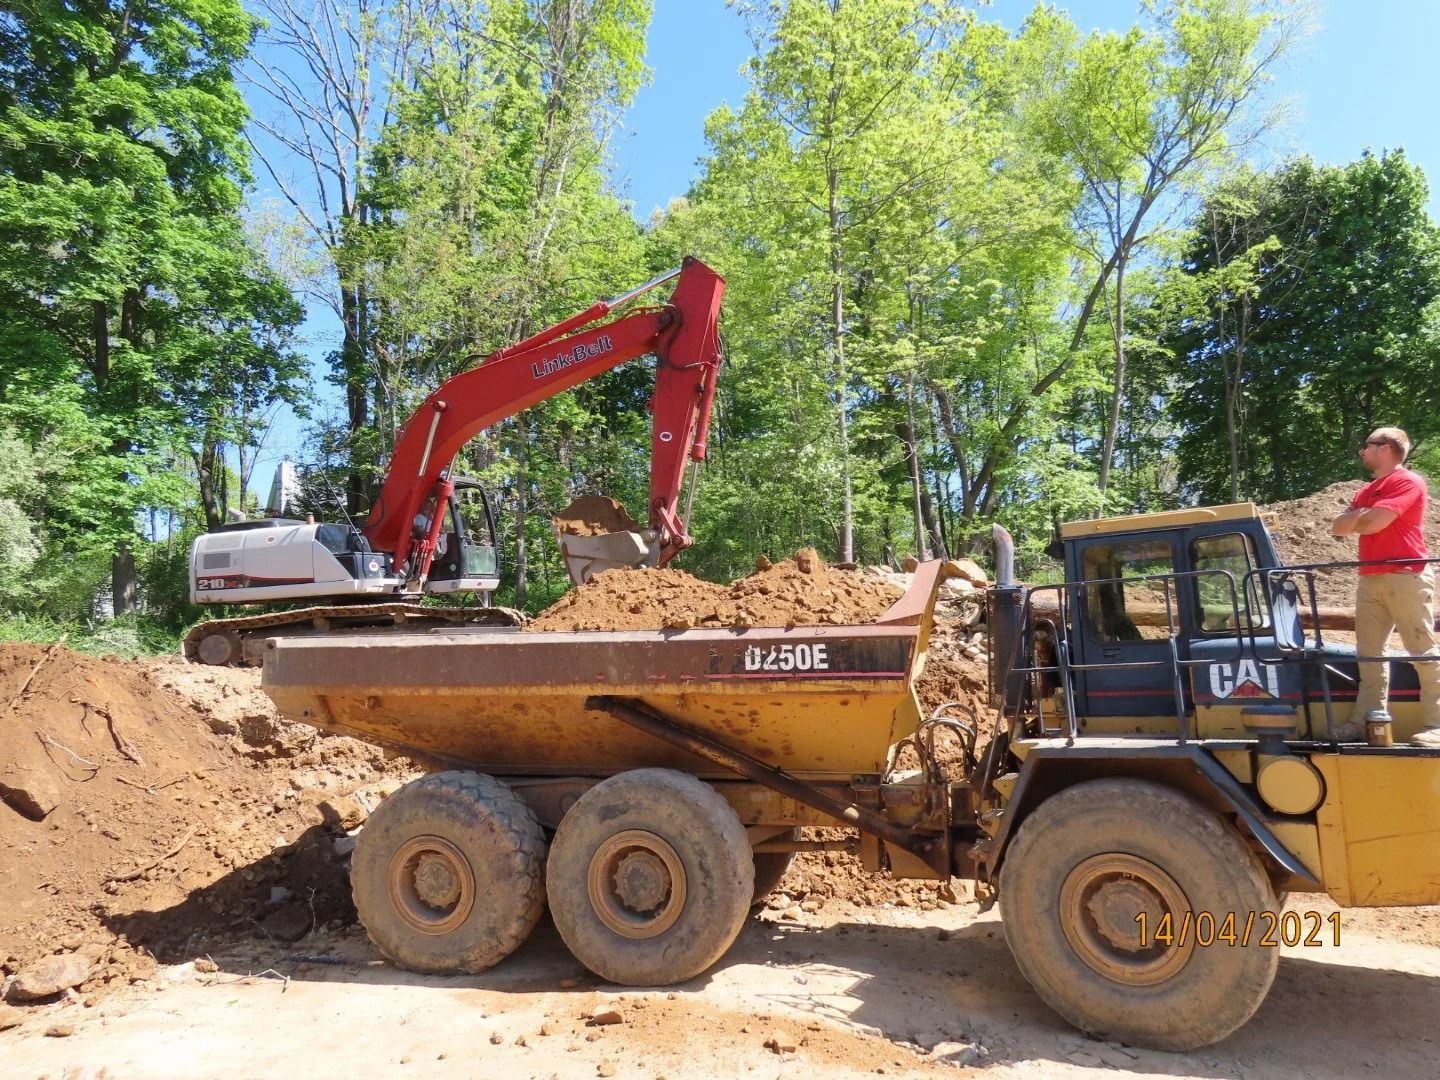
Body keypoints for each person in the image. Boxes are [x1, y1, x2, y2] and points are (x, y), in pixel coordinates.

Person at [1330, 427, 1440, 746]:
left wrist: (1359, 518)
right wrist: (1364, 516)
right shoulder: (1368, 490)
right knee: (1369, 654)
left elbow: (1374, 523)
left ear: (1387, 448)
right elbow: (1338, 527)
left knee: (1421, 649)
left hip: (1406, 575)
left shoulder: (1408, 481)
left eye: (1368, 445)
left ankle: (1437, 724)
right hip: (1370, 578)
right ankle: (1364, 720)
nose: (1362, 451)